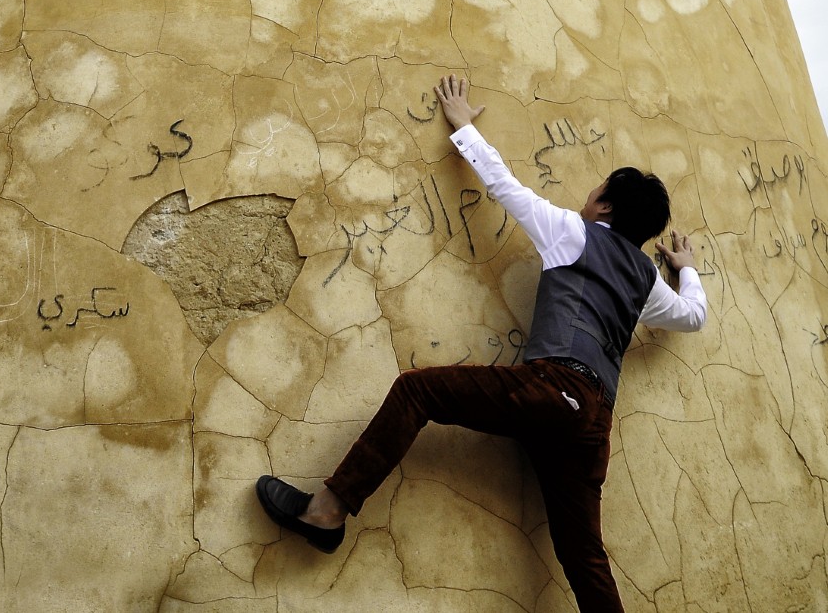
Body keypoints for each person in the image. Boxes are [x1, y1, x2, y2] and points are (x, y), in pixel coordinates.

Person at [256, 74, 707, 613]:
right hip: (593, 421)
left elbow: (504, 186)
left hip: (552, 389)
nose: (585, 199)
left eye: (594, 192)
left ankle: (327, 511)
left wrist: (463, 125)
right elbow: (691, 316)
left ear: (605, 207)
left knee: (415, 393)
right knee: (582, 551)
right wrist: (687, 270)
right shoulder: (647, 280)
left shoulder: (572, 232)